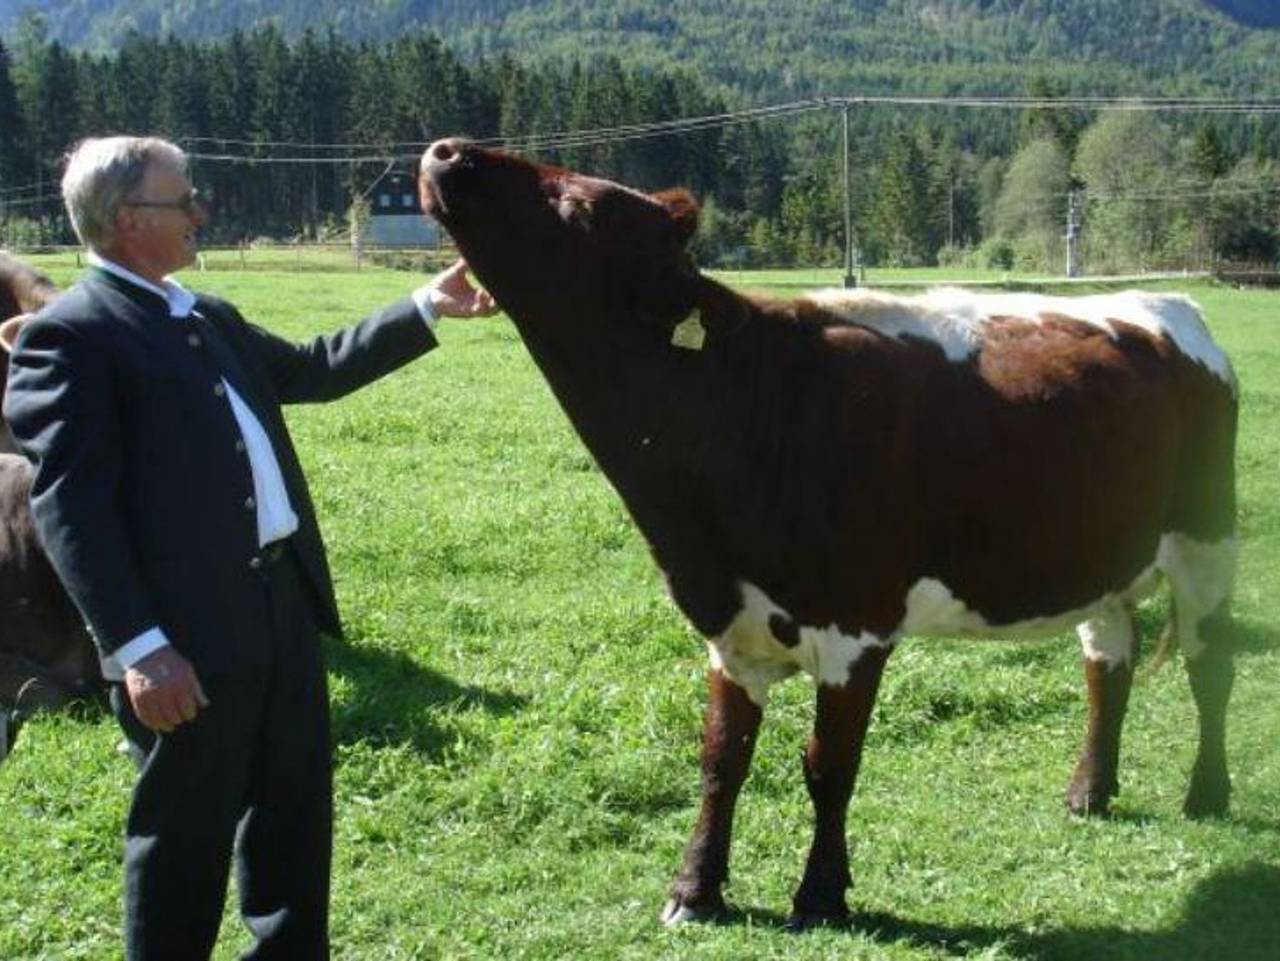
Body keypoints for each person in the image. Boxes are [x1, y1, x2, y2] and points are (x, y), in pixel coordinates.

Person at [1, 135, 497, 960]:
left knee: (293, 817)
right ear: (128, 220)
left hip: (277, 606)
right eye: (183, 199)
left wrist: (424, 306)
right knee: (183, 842)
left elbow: (311, 367)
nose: (201, 210)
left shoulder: (201, 314)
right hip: (180, 637)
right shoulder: (72, 337)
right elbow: (71, 510)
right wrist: (140, 649)